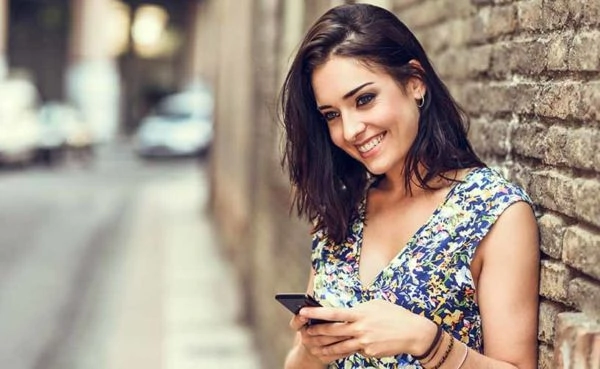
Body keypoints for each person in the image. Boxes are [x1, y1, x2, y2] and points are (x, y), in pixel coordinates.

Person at [278, 3, 540, 369]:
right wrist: (311, 349)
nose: (350, 130)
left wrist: (426, 341)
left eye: (364, 99)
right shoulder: (344, 208)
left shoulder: (493, 211)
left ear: (414, 82)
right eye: (332, 115)